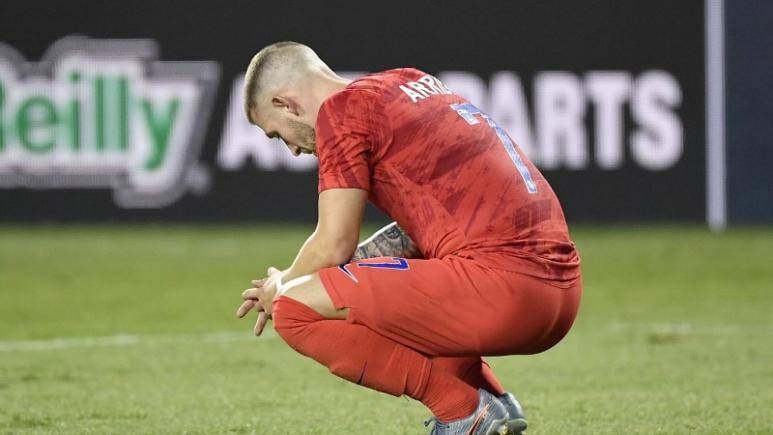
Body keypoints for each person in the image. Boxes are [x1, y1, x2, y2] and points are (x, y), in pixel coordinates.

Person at [236, 41, 582, 435]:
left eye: (277, 135)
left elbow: (333, 245)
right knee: (392, 286)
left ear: (286, 104)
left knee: (293, 308)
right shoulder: (409, 82)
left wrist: (282, 283)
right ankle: (491, 398)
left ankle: (463, 411)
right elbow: (424, 229)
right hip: (560, 294)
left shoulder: (341, 113)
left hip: (507, 291)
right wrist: (343, 274)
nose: (294, 150)